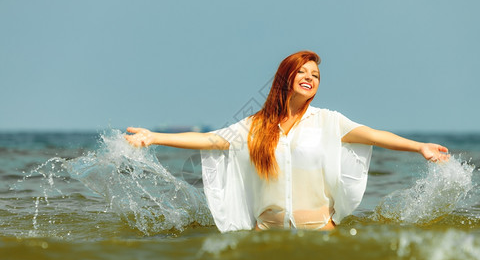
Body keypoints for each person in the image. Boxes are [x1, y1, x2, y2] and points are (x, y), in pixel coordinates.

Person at [125, 51, 449, 233]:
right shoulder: (255, 126)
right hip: (266, 235)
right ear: (286, 77)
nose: (310, 78)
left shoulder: (329, 121)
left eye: (316, 75)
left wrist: (419, 146)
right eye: (302, 72)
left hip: (320, 233)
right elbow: (210, 140)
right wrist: (154, 137)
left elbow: (377, 136)